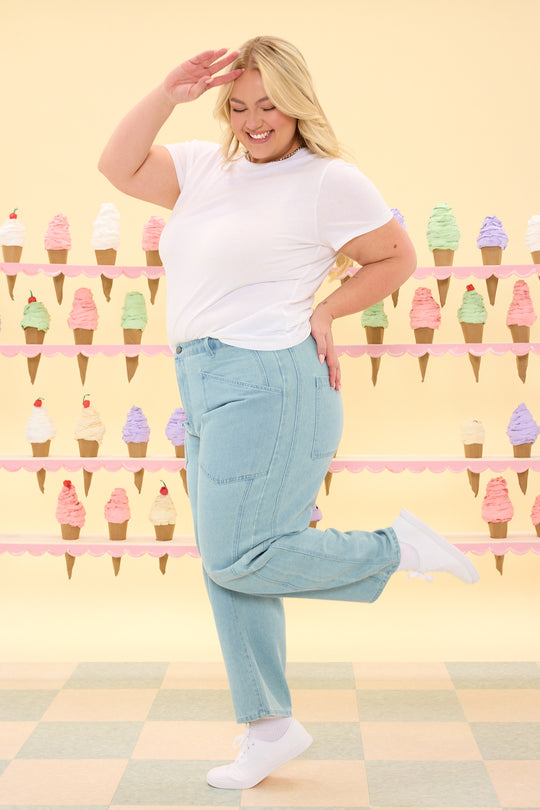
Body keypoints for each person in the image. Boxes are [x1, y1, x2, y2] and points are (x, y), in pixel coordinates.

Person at [99, 36, 479, 790]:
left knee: (237, 554)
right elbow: (116, 166)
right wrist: (166, 93)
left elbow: (397, 257)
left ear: (297, 101)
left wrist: (330, 310)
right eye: (238, 106)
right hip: (203, 382)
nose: (253, 120)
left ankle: (394, 549)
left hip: (270, 381)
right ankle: (269, 727)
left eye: (268, 103)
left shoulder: (330, 182)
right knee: (228, 565)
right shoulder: (207, 168)